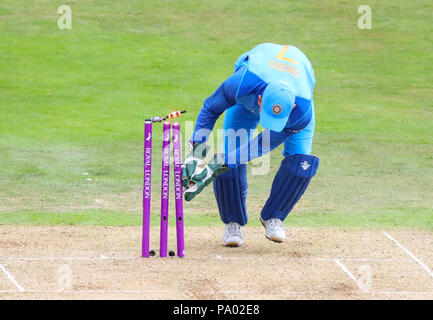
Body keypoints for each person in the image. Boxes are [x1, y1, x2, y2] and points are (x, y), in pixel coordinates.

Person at [182, 43, 319, 247]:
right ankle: (233, 223)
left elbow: (263, 144)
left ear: (292, 107)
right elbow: (210, 109)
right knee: (231, 153)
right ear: (261, 98)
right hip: (247, 99)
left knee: (299, 161)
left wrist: (215, 166)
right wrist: (196, 153)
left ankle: (274, 217)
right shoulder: (242, 83)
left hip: (292, 98)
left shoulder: (301, 112)